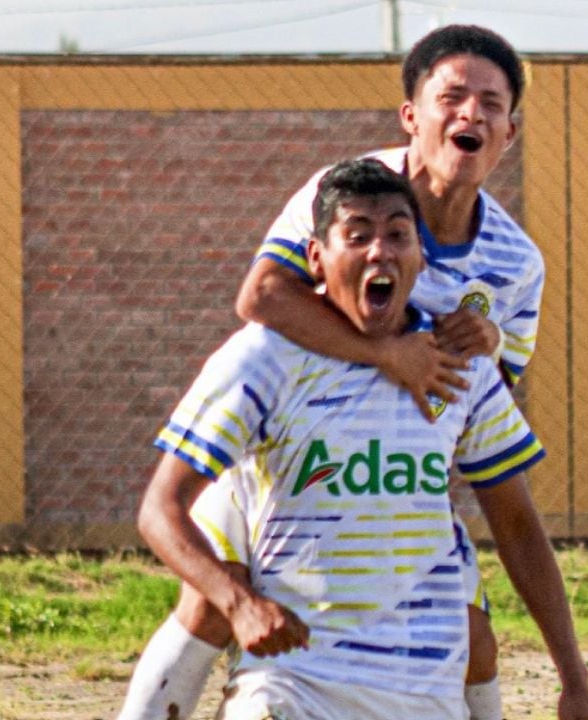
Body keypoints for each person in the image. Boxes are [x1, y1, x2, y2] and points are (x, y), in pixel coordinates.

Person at [118, 24, 541, 720]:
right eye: (453, 96)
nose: (471, 115)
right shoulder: (343, 191)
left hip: (393, 463)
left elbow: (498, 394)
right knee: (212, 602)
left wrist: (488, 338)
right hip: (290, 445)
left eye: (490, 104)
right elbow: (261, 296)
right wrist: (387, 354)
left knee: (473, 637)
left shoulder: (518, 261)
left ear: (509, 132)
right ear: (413, 115)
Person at [134, 158, 588, 719]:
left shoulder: (463, 369)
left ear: (421, 259)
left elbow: (518, 524)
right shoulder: (263, 358)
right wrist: (241, 605)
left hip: (418, 691)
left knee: (477, 638)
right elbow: (159, 509)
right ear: (316, 258)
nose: (380, 251)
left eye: (398, 236)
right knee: (204, 610)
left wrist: (575, 682)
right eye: (357, 237)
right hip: (291, 687)